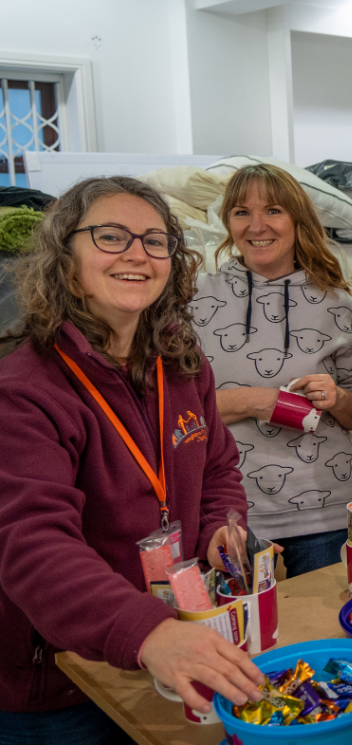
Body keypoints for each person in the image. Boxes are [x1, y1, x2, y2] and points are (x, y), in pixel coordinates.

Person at [0, 177, 264, 744]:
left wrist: (222, 527)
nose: (137, 254)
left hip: (169, 642)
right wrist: (148, 633)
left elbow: (217, 469)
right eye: (111, 236)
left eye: (154, 240)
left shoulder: (182, 362)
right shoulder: (23, 390)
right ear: (64, 259)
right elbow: (31, 543)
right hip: (61, 682)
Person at [194, 164, 352, 577]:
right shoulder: (195, 301)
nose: (256, 225)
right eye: (241, 212)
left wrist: (339, 398)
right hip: (228, 517)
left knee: (326, 628)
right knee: (242, 638)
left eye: (273, 210)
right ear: (227, 222)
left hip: (326, 513)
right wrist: (256, 401)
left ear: (299, 220)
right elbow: (171, 411)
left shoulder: (339, 305)